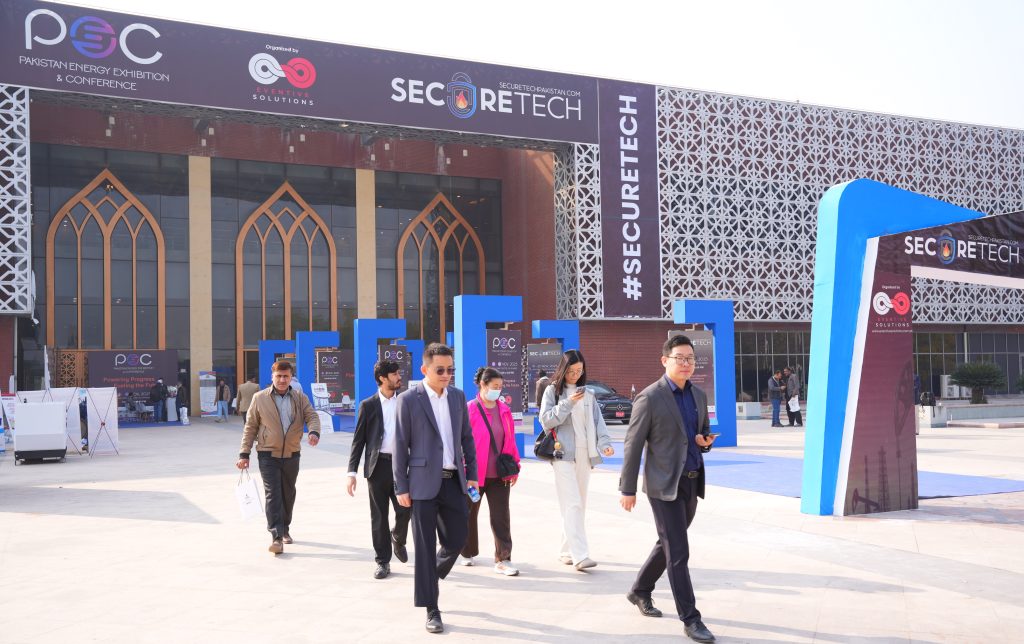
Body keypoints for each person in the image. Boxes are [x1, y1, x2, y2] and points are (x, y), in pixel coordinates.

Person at [619, 334, 717, 644]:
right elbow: (633, 445)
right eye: (680, 358)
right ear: (665, 360)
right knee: (678, 552)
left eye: (691, 358)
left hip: (691, 481)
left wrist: (704, 442)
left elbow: (700, 434)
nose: (686, 363)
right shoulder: (649, 397)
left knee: (668, 543)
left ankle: (639, 590)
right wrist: (627, 488)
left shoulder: (698, 395)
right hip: (663, 486)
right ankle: (691, 619)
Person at [393, 343, 477, 634]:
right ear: (424, 369)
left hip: (453, 481)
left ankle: (429, 575)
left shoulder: (457, 397)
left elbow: (467, 438)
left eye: (450, 369)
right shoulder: (408, 400)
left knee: (459, 537)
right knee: (425, 548)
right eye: (440, 370)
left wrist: (472, 475)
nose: (446, 375)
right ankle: (432, 608)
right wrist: (401, 486)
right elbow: (400, 446)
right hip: (421, 484)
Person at [539, 349, 614, 571]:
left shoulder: (588, 394)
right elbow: (546, 420)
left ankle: (565, 551)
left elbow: (598, 422)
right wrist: (568, 403)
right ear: (563, 370)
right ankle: (580, 555)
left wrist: (605, 443)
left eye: (579, 371)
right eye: (571, 371)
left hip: (584, 454)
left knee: (578, 504)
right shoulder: (552, 391)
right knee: (572, 503)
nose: (575, 375)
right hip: (562, 454)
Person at [235, 360, 320, 554]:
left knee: (288, 493)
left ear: (291, 377)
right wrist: (244, 453)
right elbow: (250, 427)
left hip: (292, 453)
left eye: (286, 376)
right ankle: (276, 536)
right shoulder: (259, 398)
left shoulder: (300, 397)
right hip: (267, 454)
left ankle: (285, 528)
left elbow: (312, 416)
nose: (282, 380)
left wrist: (314, 432)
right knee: (273, 493)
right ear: (272, 376)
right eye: (279, 376)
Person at [346, 360, 412, 580]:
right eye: (395, 374)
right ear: (383, 378)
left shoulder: (405, 402)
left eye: (399, 373)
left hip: (401, 466)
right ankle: (382, 561)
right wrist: (351, 473)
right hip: (377, 467)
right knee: (379, 517)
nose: (399, 377)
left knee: (406, 509)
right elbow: (358, 441)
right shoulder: (368, 405)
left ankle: (398, 538)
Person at [459, 366, 521, 575]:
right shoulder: (469, 409)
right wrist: (463, 470)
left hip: (499, 474)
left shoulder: (504, 410)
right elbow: (460, 441)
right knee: (468, 514)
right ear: (482, 385)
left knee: (501, 517)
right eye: (495, 386)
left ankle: (504, 559)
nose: (498, 390)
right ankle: (467, 552)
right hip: (474, 475)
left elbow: (510, 441)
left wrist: (515, 468)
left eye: (500, 386)